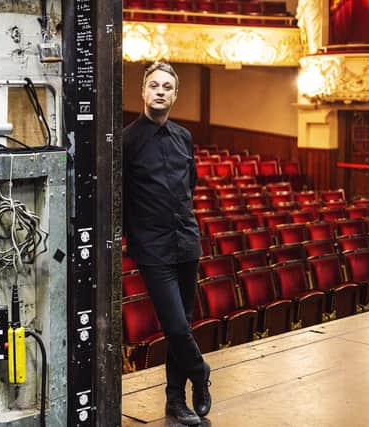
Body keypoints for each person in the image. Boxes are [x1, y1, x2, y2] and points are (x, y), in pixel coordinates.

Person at [123, 61, 211, 425]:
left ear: (175, 95)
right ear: (143, 92)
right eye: (154, 86)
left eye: (167, 87)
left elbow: (188, 186)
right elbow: (121, 196)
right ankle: (201, 371)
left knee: (184, 325)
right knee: (174, 325)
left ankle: (176, 401)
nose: (160, 91)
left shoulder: (184, 137)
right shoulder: (126, 140)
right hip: (152, 246)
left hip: (186, 240)